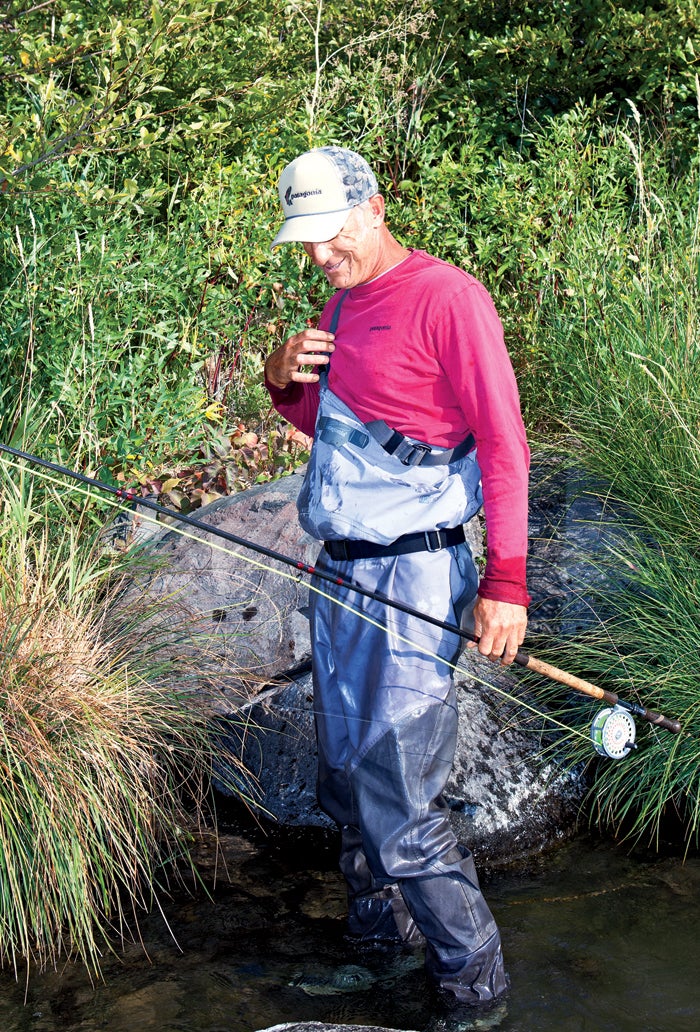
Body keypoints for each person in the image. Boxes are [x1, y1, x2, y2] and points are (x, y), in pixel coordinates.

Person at [264, 146, 530, 1008]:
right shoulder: (342, 305)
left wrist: (508, 582)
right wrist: (280, 385)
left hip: (417, 580)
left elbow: (504, 448)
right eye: (305, 240)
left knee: (400, 799)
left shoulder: (450, 300)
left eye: (330, 234)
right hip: (340, 573)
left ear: (375, 208)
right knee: (346, 780)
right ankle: (382, 950)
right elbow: (338, 428)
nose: (318, 255)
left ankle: (475, 994)